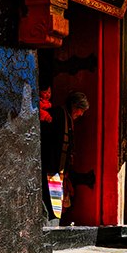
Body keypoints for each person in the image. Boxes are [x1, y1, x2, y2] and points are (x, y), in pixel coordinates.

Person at [41, 90, 89, 222]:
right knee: (49, 196)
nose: (81, 114)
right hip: (51, 164)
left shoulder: (66, 117)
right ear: (74, 106)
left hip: (58, 166)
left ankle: (53, 219)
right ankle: (50, 220)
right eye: (80, 110)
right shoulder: (57, 115)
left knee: (55, 197)